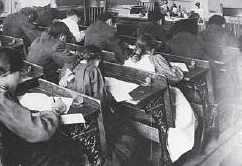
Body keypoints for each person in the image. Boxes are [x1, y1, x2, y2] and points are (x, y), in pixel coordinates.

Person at [0, 47, 84, 166]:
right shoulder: (0, 99)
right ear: (8, 72)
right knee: (67, 146)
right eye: (19, 73)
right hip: (11, 156)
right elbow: (40, 132)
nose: (20, 78)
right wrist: (56, 110)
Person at [59, 45, 140, 165]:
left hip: (74, 115)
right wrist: (112, 96)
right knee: (127, 127)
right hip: (93, 119)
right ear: (96, 59)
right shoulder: (92, 70)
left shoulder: (68, 66)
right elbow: (101, 101)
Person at [124, 34, 198, 163]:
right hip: (162, 99)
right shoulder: (155, 58)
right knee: (185, 112)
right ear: (152, 49)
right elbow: (174, 77)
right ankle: (177, 148)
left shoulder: (131, 59)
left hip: (141, 101)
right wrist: (174, 68)